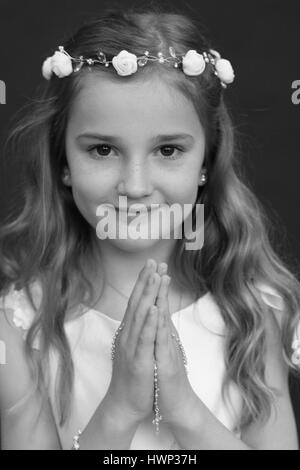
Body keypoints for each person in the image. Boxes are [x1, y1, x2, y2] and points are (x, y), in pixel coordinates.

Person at [0, 6, 300, 450]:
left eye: (168, 150)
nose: (135, 186)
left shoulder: (253, 311)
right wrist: (118, 409)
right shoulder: (21, 327)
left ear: (206, 161)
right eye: (103, 149)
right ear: (63, 161)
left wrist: (184, 410)